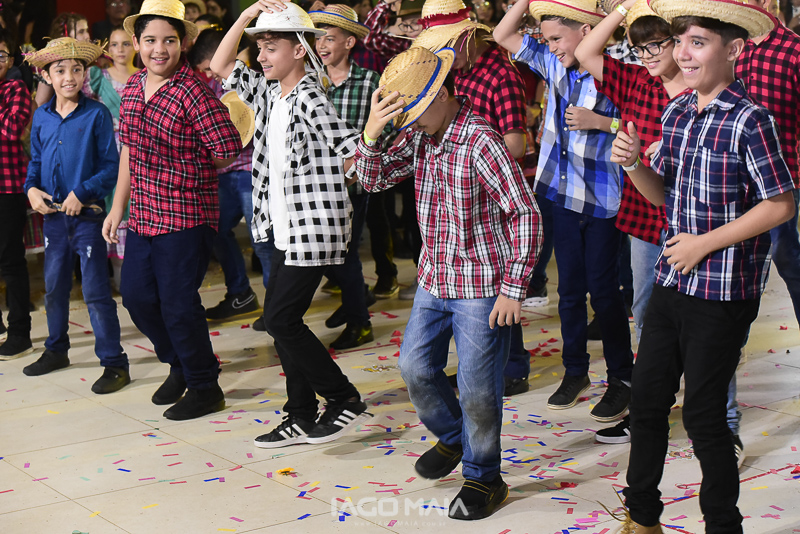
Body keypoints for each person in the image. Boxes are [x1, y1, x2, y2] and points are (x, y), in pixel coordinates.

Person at [610, 0, 795, 530]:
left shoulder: (750, 120)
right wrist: (634, 164)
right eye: (680, 43)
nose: (684, 55)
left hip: (723, 290)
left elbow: (780, 204)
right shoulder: (677, 113)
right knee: (647, 403)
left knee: (704, 416)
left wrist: (703, 245)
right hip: (673, 278)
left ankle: (722, 524)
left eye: (698, 43)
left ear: (733, 50)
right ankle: (641, 517)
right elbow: (663, 197)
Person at [356, 46, 541, 520]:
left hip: (481, 285)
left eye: (416, 112)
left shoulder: (480, 140)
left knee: (478, 390)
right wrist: (372, 134)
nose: (412, 123)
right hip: (434, 277)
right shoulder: (422, 135)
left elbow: (524, 212)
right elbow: (373, 181)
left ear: (441, 95)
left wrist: (513, 287)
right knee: (415, 368)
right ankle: (456, 437)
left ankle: (484, 477)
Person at [210, 0, 372, 448]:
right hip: (280, 227)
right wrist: (246, 17)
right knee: (284, 322)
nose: (261, 56)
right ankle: (299, 413)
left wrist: (370, 147)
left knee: (280, 320)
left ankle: (343, 397)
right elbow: (220, 64)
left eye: (271, 47)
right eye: (259, 47)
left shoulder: (310, 97)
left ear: (300, 50)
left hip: (313, 226)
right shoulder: (268, 93)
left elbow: (348, 145)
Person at [103, 0, 243, 420]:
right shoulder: (132, 87)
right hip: (143, 214)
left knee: (179, 305)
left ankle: (204, 386)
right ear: (136, 43)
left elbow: (227, 147)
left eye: (169, 40)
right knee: (137, 298)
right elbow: (129, 150)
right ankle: (180, 363)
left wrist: (186, 162)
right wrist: (117, 207)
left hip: (185, 214)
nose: (159, 49)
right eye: (150, 40)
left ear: (183, 44)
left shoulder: (193, 91)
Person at [495, 0, 634, 422]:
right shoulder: (554, 66)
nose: (552, 46)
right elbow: (502, 34)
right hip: (562, 195)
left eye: (558, 38)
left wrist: (601, 122)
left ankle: (622, 378)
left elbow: (642, 126)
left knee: (605, 293)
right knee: (569, 292)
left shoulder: (616, 70)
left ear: (586, 31)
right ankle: (575, 372)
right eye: (548, 39)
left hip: (604, 198)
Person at [573, 0, 689, 443]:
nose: (648, 55)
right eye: (640, 48)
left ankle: (717, 420)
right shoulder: (636, 81)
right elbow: (586, 51)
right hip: (647, 218)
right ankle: (650, 408)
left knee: (701, 321)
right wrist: (626, 7)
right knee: (645, 313)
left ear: (678, 41)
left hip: (695, 219)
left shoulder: (700, 85)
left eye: (657, 44)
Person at [413, 0, 534, 397]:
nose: (442, 55)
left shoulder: (501, 74)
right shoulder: (453, 72)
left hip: (489, 190)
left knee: (493, 288)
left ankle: (510, 369)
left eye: (446, 45)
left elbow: (515, 144)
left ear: (467, 36)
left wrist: (476, 155)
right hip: (455, 193)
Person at [23, 37, 130, 394]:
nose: (69, 77)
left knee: (96, 292)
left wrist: (81, 193)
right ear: (47, 76)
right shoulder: (42, 116)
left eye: (77, 69)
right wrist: (31, 189)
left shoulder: (96, 114)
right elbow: (36, 162)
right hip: (53, 220)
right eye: (60, 70)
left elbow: (111, 167)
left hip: (87, 219)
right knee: (54, 288)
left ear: (85, 74)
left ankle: (114, 362)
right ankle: (56, 350)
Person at [722, 0, 800, 462]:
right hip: (727, 192)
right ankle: (725, 424)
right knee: (728, 301)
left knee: (794, 272)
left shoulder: (793, 52)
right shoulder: (719, 45)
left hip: (781, 190)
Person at [309, 4, 379, 349]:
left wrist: (357, 162)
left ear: (350, 43)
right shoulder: (309, 80)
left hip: (351, 184)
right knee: (320, 252)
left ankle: (360, 323)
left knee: (345, 254)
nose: (321, 45)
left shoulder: (370, 82)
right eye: (318, 38)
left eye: (330, 38)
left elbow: (384, 130)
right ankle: (357, 295)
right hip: (312, 183)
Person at [186, 28, 266, 323]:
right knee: (215, 230)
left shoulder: (255, 75)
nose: (210, 74)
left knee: (262, 241)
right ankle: (240, 293)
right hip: (224, 171)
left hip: (252, 171)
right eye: (206, 70)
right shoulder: (210, 86)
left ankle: (277, 309)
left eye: (211, 68)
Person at [85, 26, 140, 290]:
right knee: (114, 204)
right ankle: (120, 279)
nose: (120, 50)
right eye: (114, 45)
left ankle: (137, 278)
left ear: (135, 45)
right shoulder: (99, 77)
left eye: (125, 44)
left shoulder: (144, 76)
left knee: (137, 203)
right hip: (109, 149)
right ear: (107, 49)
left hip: (139, 148)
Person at [0, 26, 34, 362]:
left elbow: (11, 130)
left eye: (1, 55)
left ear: (10, 60)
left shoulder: (15, 88)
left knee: (10, 261)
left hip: (7, 187)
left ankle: (20, 333)